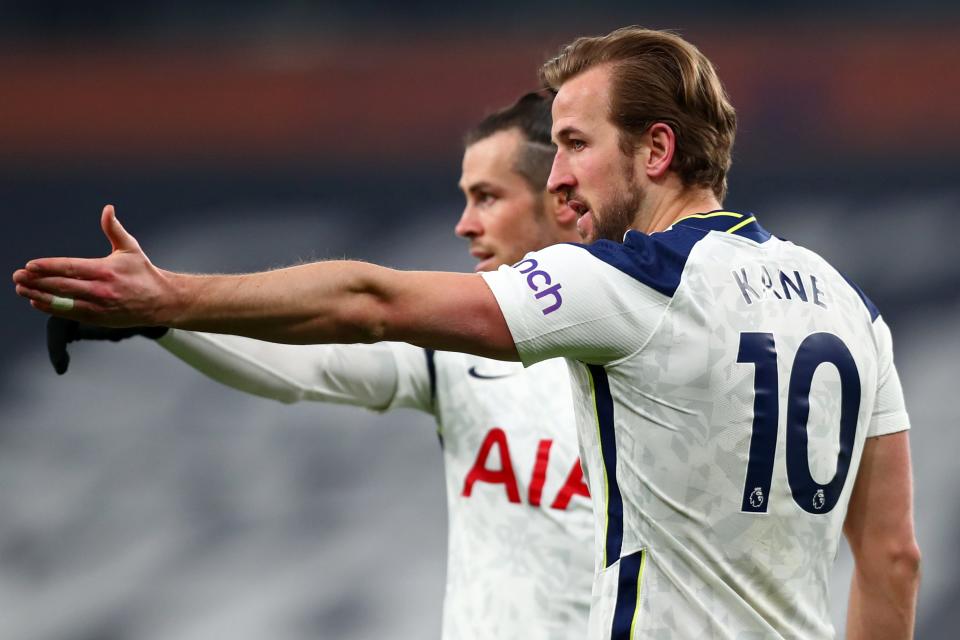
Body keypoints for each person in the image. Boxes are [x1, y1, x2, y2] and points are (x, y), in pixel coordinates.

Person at [13, 26, 921, 640]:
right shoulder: (850, 306)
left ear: (655, 150)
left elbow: (367, 302)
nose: (559, 173)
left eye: (572, 143)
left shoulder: (634, 281)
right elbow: (891, 556)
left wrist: (171, 294)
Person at [39, 93, 595, 640]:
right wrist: (162, 322)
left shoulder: (650, 335)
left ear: (561, 198)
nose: (465, 225)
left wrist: (168, 305)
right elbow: (308, 367)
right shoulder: (458, 348)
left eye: (488, 197)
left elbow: (366, 305)